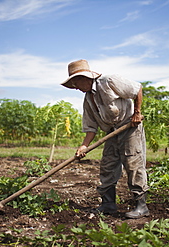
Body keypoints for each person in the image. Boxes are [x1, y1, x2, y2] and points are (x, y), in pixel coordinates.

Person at [61, 59, 149, 219]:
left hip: (129, 127)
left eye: (76, 83)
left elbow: (137, 89)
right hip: (111, 133)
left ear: (84, 78)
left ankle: (141, 206)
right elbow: (90, 126)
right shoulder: (88, 99)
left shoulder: (109, 81)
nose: (76, 88)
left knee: (133, 164)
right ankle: (108, 204)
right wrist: (84, 146)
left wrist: (137, 113)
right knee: (107, 166)